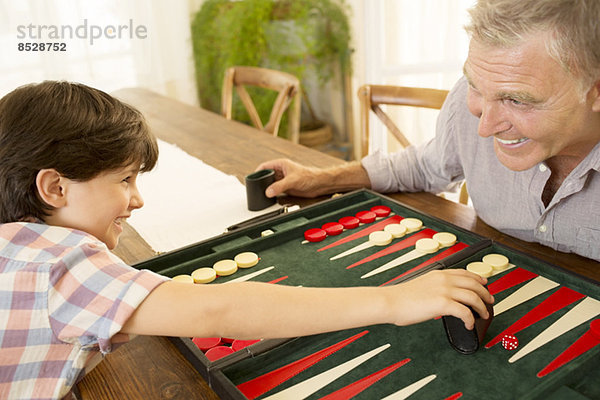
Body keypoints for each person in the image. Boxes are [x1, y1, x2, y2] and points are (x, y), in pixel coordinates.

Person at [0, 81, 492, 399]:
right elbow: (216, 311)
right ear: (54, 187)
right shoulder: (65, 262)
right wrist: (393, 299)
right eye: (124, 181)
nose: (138, 200)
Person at [257, 0, 600, 262]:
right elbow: (423, 166)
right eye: (475, 85)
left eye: (516, 100)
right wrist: (320, 180)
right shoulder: (469, 109)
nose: (484, 126)